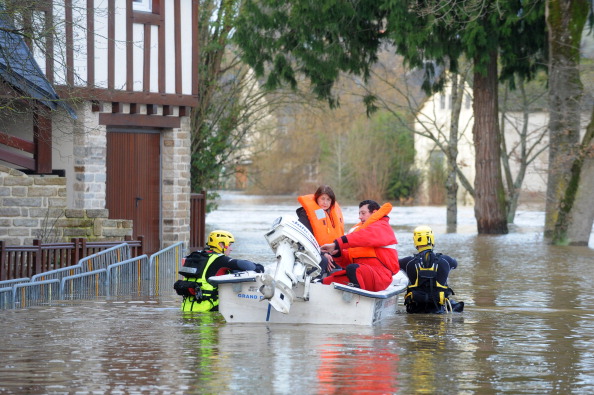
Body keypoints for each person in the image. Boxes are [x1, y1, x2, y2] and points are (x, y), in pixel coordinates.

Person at [174, 230, 265, 312]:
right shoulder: (220, 260)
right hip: (207, 310)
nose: (231, 248)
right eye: (229, 245)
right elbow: (246, 266)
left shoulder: (196, 257)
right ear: (221, 245)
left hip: (187, 309)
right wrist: (258, 267)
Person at [320, 200, 400, 291]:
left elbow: (363, 236)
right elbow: (347, 261)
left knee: (353, 269)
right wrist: (337, 253)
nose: (360, 217)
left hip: (381, 276)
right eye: (359, 214)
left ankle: (356, 300)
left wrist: (336, 244)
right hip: (360, 273)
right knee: (324, 282)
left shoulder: (382, 227)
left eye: (363, 213)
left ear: (374, 212)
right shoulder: (359, 231)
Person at [400, 226, 464, 313]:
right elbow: (455, 264)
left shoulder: (407, 262)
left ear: (415, 241)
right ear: (432, 240)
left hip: (414, 310)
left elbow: (390, 265)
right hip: (438, 311)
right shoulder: (446, 260)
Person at [296, 185, 345, 275]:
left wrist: (336, 251)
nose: (325, 202)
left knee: (342, 259)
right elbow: (305, 239)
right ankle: (316, 282)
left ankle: (336, 283)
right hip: (311, 250)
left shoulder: (332, 216)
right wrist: (323, 253)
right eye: (322, 199)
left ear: (332, 202)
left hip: (328, 250)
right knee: (324, 260)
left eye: (328, 200)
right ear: (317, 199)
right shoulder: (306, 215)